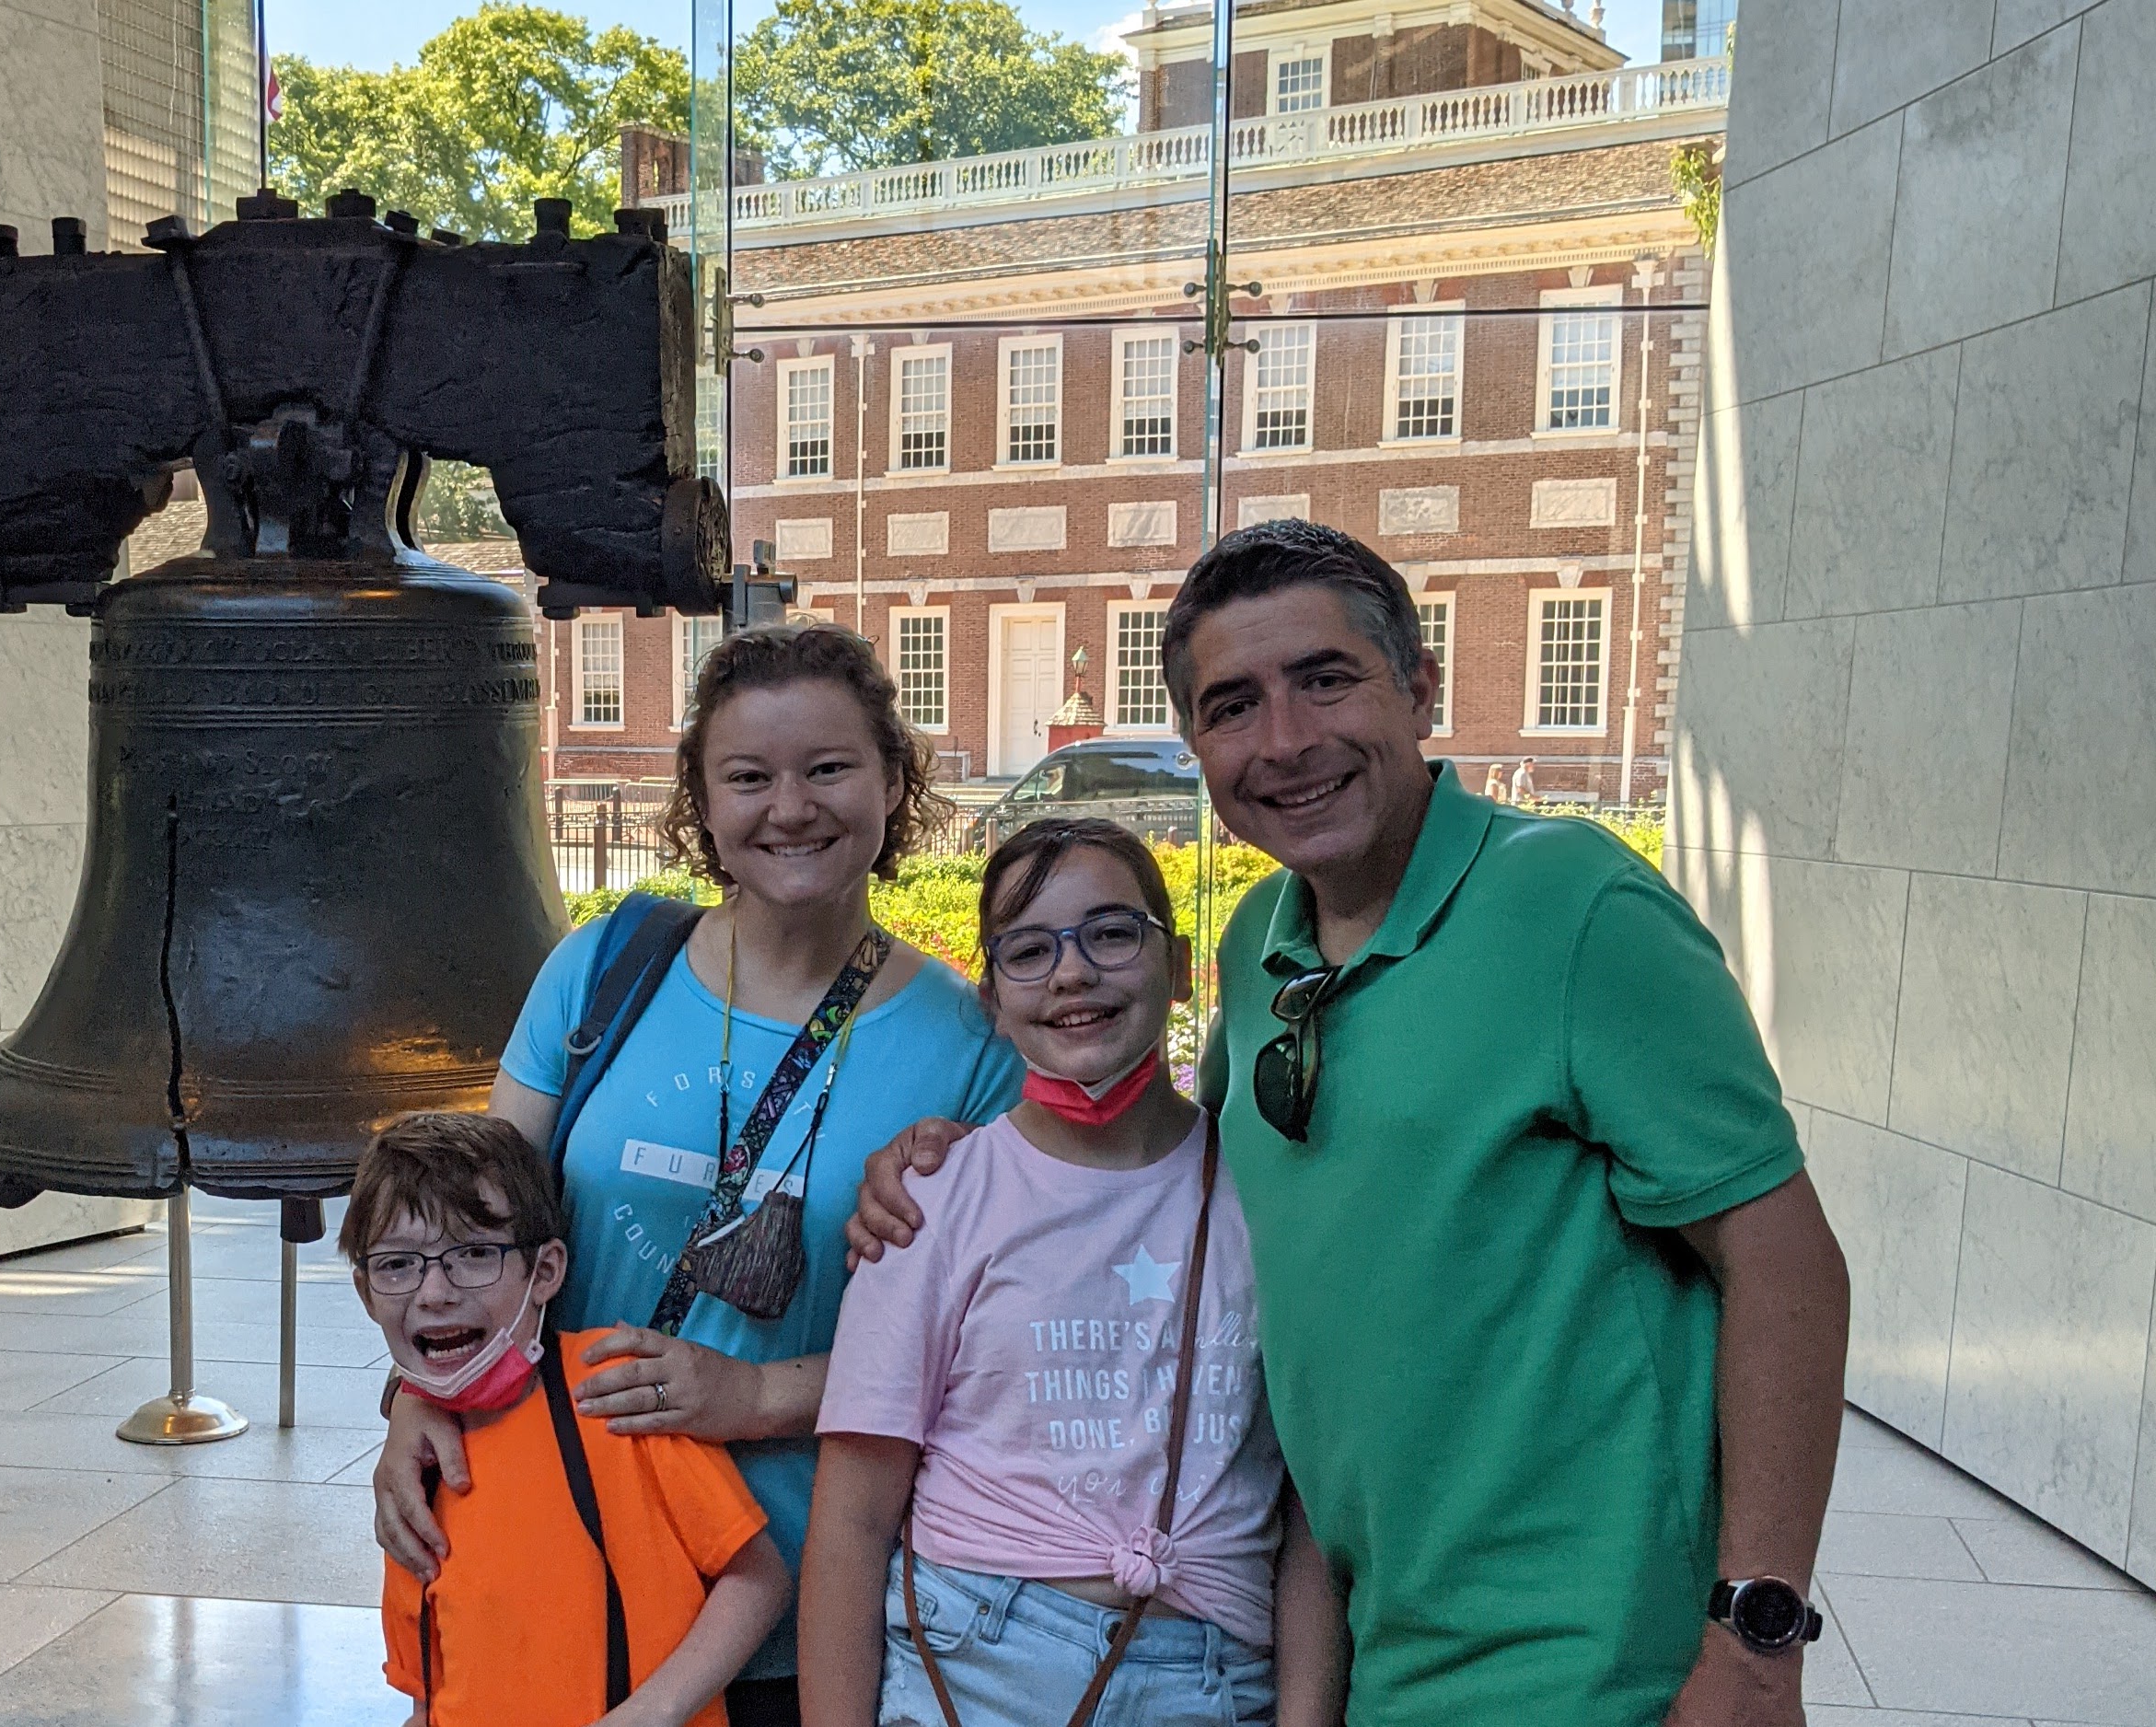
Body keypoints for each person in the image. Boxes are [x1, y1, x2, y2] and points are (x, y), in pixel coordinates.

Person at [852, 521, 1851, 1727]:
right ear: (1198, 749)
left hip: (1587, 1666)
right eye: (1231, 706)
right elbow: (1173, 1169)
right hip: (1372, 1658)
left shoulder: (1571, 906)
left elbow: (1780, 1261)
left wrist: (1754, 1641)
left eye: (1324, 679)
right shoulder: (1255, 945)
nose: (1284, 741)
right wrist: (954, 1161)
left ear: (1417, 688)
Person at [376, 623, 1026, 1727]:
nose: (791, 807)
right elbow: (474, 1233)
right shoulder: (602, 971)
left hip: (810, 1588)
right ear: (704, 803)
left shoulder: (968, 1044)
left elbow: (990, 1340)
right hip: (572, 1560)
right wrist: (413, 1396)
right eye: (748, 778)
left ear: (891, 780)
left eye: (829, 768)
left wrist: (760, 1395)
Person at [801, 819, 1341, 1727]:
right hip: (975, 1667)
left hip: (1211, 1679)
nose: (1072, 971)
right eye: (1028, 949)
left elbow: (1310, 1512)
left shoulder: (1268, 1192)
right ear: (989, 997)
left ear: (1177, 967)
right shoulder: (935, 1202)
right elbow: (852, 1525)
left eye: (1112, 933)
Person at [345, 1112, 790, 1727]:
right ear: (366, 1292)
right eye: (397, 1265)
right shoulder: (412, 1473)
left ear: (545, 1270)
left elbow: (757, 1577)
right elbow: (428, 1696)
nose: (434, 1292)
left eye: (474, 1254)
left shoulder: (611, 1391)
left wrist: (653, 1711)